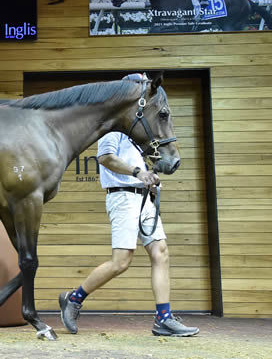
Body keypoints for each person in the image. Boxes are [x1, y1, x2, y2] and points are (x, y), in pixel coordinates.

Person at [59, 73, 200, 337]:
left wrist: (149, 177)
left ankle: (164, 318)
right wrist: (138, 173)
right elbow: (105, 157)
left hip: (142, 196)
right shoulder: (113, 126)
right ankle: (74, 299)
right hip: (122, 196)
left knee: (161, 252)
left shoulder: (137, 129)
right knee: (121, 262)